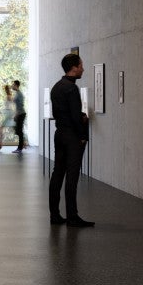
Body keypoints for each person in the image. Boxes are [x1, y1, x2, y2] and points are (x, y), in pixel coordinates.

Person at [49, 54, 93, 227]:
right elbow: (75, 116)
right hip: (72, 137)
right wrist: (82, 136)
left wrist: (77, 116)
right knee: (72, 177)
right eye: (81, 65)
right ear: (74, 67)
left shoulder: (57, 87)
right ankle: (72, 217)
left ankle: (55, 215)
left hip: (59, 134)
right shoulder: (72, 89)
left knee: (57, 174)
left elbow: (60, 113)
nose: (83, 68)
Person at [0, 84, 14, 150]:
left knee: (0, 129)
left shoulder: (9, 96)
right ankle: (0, 144)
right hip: (8, 113)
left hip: (9, 114)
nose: (5, 90)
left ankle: (0, 144)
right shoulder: (9, 96)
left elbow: (12, 104)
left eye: (6, 89)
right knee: (15, 128)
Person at [11, 79, 27, 153]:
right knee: (18, 131)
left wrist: (16, 114)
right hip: (19, 114)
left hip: (21, 114)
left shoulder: (19, 94)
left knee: (19, 131)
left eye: (13, 85)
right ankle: (23, 144)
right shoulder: (17, 93)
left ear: (16, 85)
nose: (12, 86)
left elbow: (21, 105)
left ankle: (20, 148)